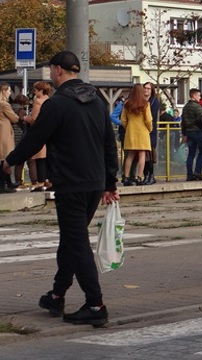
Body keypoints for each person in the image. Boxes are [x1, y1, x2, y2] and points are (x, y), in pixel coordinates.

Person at [3, 51, 119, 326]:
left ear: (57, 70)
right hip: (94, 183)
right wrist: (110, 182)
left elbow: (35, 139)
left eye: (51, 70)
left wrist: (9, 161)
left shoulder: (57, 104)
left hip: (70, 182)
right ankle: (56, 295)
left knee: (77, 243)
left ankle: (95, 304)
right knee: (71, 240)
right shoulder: (97, 101)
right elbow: (109, 143)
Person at [120, 83, 153, 186]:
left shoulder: (127, 103)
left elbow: (123, 120)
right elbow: (148, 120)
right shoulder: (145, 104)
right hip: (142, 132)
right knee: (142, 154)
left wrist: (128, 127)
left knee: (130, 155)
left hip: (130, 132)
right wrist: (149, 129)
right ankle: (139, 177)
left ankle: (126, 177)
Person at [23, 81, 51, 191]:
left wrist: (26, 118)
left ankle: (40, 182)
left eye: (35, 90)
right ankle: (47, 180)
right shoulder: (49, 100)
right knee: (45, 158)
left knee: (39, 158)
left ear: (40, 90)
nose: (34, 92)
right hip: (49, 133)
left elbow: (34, 119)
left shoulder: (38, 102)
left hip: (39, 133)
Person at [180, 88, 202, 181]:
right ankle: (198, 171)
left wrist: (184, 134)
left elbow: (183, 122)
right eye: (199, 96)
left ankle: (189, 175)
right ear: (194, 95)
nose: (200, 98)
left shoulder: (185, 107)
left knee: (191, 154)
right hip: (198, 131)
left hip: (189, 132)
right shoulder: (197, 107)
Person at [0, 83, 21, 192]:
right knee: (5, 158)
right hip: (5, 133)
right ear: (3, 91)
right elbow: (14, 118)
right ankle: (3, 185)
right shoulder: (4, 104)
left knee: (3, 157)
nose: (10, 93)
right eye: (8, 90)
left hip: (2, 131)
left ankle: (8, 182)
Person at [142, 82, 160, 185]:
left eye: (148, 89)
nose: (146, 90)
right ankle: (145, 175)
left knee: (150, 155)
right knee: (143, 155)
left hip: (150, 130)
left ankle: (151, 175)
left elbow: (152, 116)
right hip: (141, 131)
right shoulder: (141, 100)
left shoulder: (154, 101)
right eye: (145, 88)